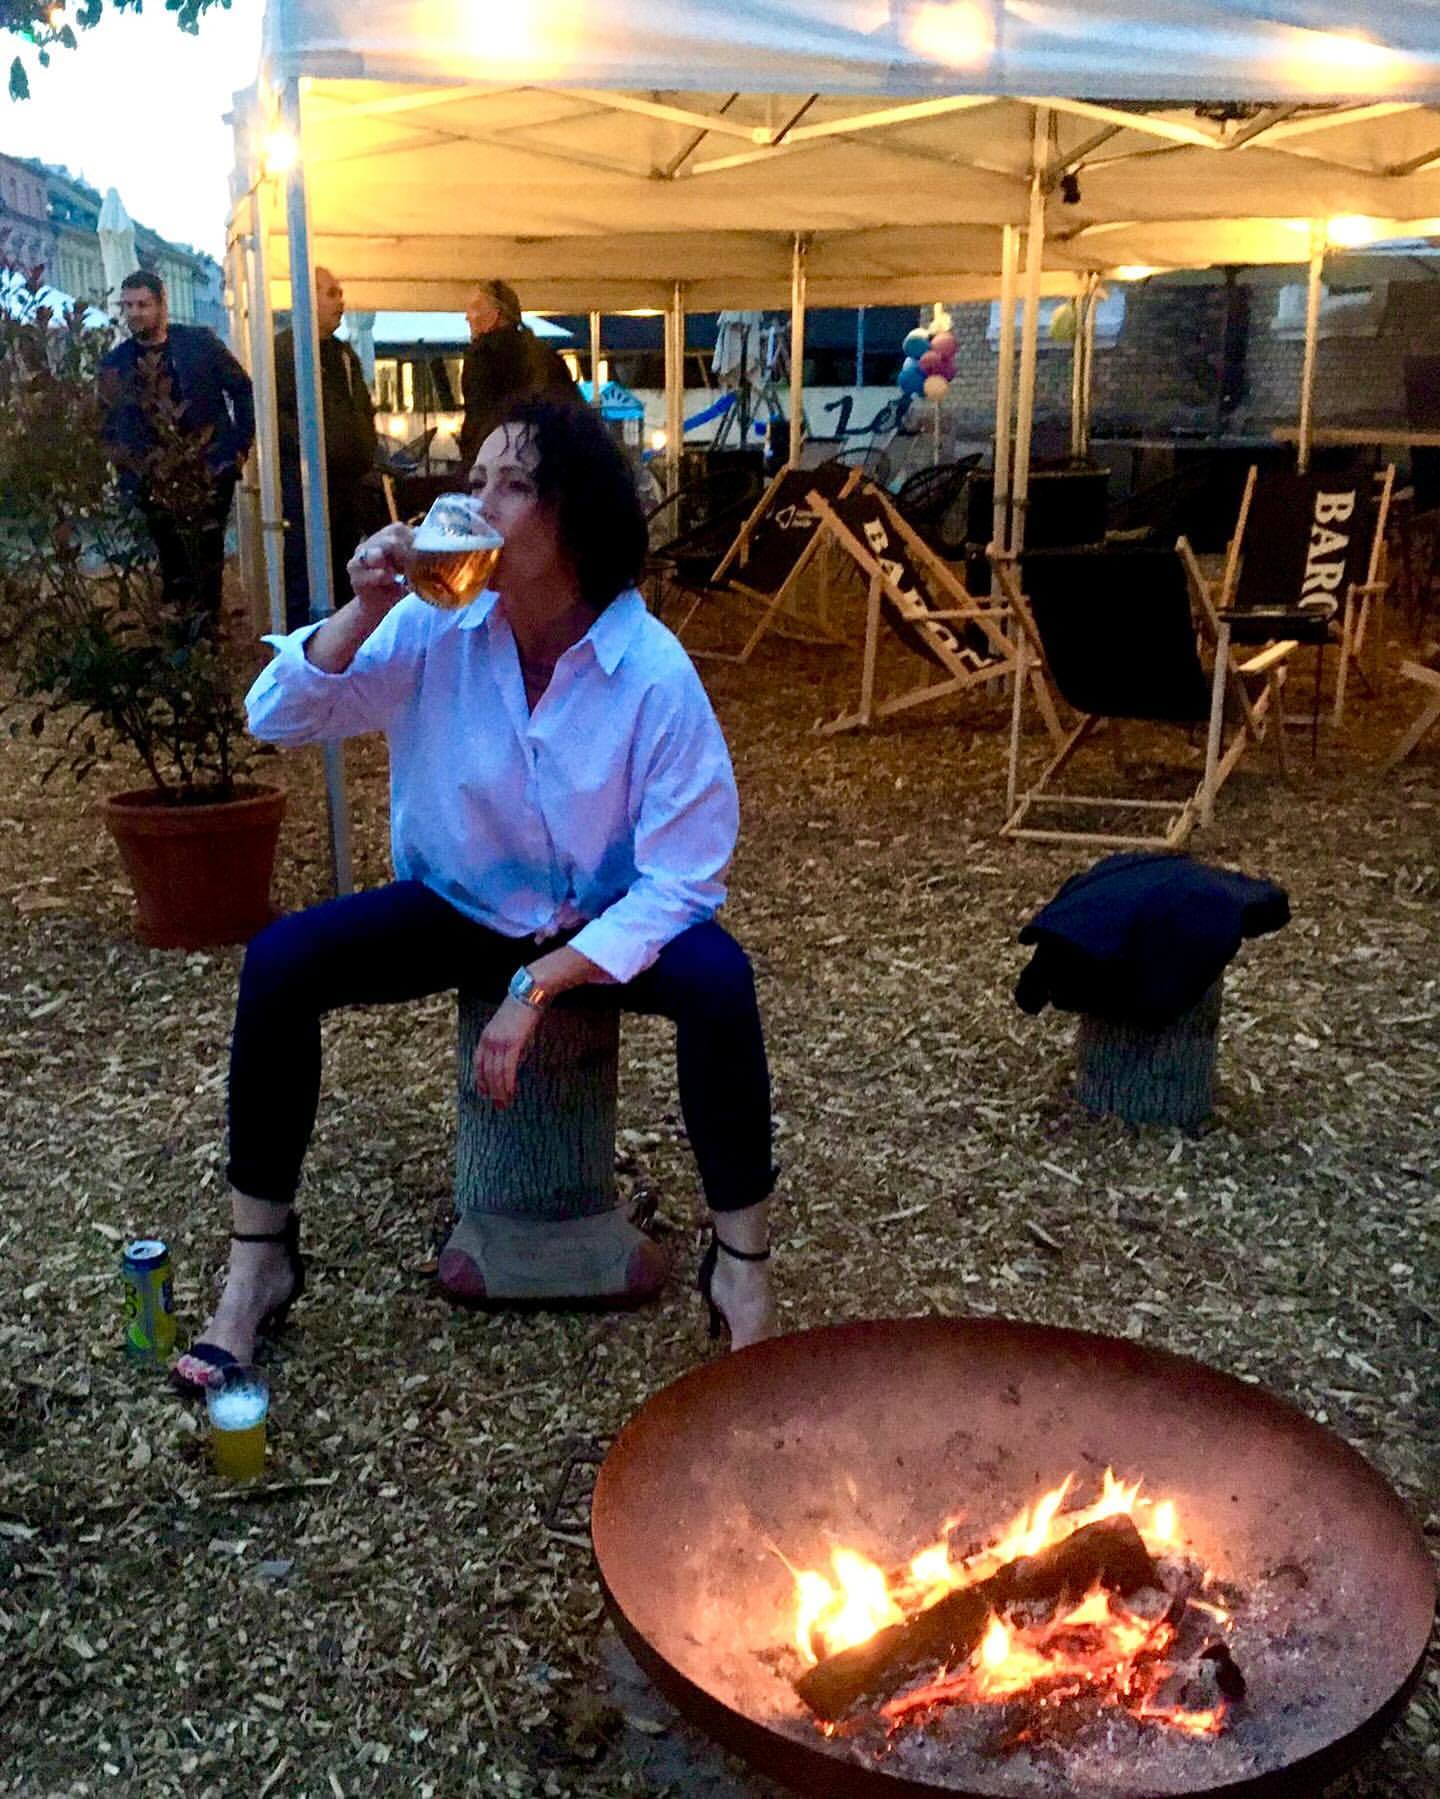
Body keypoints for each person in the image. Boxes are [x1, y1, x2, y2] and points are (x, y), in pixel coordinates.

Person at [171, 398, 778, 1394]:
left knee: (721, 983)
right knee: (281, 961)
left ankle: (742, 1270)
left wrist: (541, 983)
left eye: (513, 484)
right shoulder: (434, 623)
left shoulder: (650, 670)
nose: (475, 503)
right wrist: (363, 608)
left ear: (573, 517)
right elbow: (275, 716)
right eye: (474, 478)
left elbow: (685, 874)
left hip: (601, 921)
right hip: (460, 909)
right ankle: (258, 1265)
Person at [99, 270, 254, 626]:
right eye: (128, 306)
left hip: (208, 471)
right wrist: (126, 473)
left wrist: (238, 448)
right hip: (152, 480)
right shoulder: (117, 364)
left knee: (208, 558)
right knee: (171, 563)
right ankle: (181, 636)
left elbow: (242, 390)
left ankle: (208, 632)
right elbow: (108, 421)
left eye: (142, 304)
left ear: (161, 305)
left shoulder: (199, 345)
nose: (135, 313)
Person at [274, 267, 388, 631]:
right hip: (307, 491)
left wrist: (365, 448)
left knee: (344, 572)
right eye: (331, 293)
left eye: (340, 293)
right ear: (307, 298)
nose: (341, 301)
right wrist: (315, 451)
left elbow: (362, 408)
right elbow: (275, 417)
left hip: (348, 488)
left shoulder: (344, 354)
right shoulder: (284, 352)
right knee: (306, 576)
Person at [458, 279, 581, 468]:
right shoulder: (547, 356)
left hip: (498, 463)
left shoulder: (482, 357)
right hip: (550, 462)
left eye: (475, 308)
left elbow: (479, 416)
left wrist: (472, 459)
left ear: (495, 315)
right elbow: (572, 411)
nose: (467, 317)